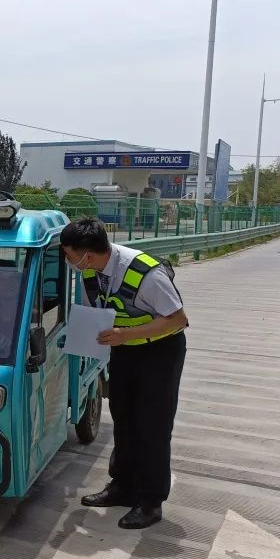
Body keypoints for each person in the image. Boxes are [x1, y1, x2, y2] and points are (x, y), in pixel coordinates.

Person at [61, 217, 189, 529]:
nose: (66, 259)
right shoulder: (90, 271)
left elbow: (177, 319)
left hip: (159, 353)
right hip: (124, 350)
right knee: (124, 417)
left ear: (86, 255)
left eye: (67, 253)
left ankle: (150, 501)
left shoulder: (146, 274)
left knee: (152, 425)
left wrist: (125, 335)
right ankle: (122, 486)